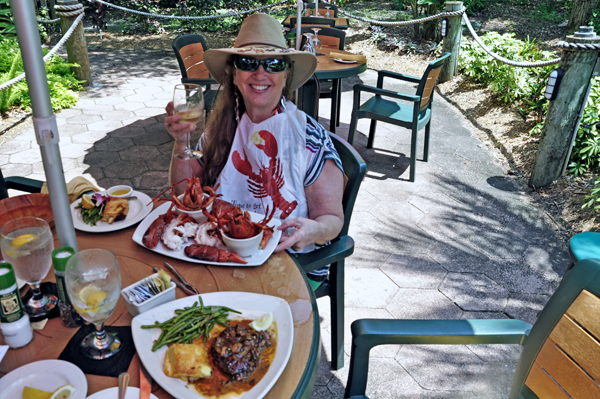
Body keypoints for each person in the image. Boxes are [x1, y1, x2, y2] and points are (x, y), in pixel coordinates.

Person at [164, 13, 344, 288]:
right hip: (218, 251)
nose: (260, 73)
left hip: (290, 262)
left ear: (286, 75)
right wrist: (181, 142)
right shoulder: (220, 129)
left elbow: (332, 220)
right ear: (234, 75)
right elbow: (182, 193)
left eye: (273, 64)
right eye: (247, 62)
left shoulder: (309, 138)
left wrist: (314, 230)